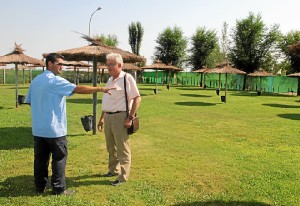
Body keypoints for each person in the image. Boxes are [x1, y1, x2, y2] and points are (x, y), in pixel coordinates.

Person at [25, 53, 113, 195]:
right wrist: (101, 89)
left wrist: (42, 110)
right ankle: (58, 189)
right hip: (55, 130)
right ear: (49, 64)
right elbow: (78, 89)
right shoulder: (55, 81)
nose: (62, 66)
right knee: (59, 159)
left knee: (40, 159)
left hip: (39, 129)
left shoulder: (35, 81)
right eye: (59, 63)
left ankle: (39, 187)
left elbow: (29, 101)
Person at [97, 53, 141, 186]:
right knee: (111, 146)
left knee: (122, 147)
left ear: (120, 65)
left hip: (120, 117)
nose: (108, 67)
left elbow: (137, 98)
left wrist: (130, 118)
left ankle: (123, 176)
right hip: (109, 117)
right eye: (107, 64)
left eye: (111, 64)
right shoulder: (110, 80)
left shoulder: (126, 78)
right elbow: (108, 101)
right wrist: (102, 119)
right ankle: (113, 170)